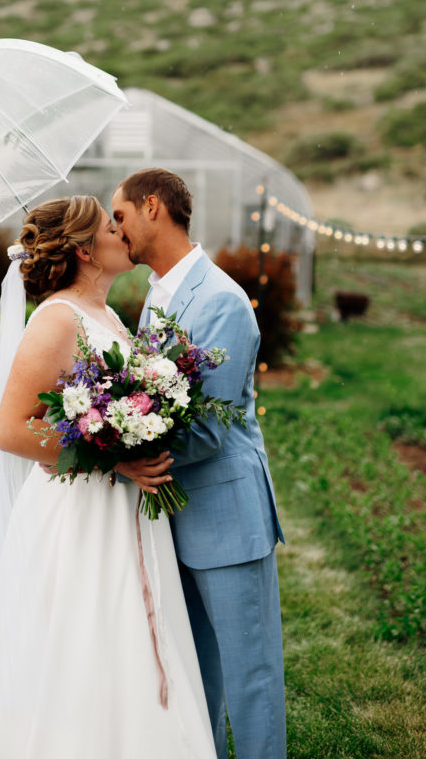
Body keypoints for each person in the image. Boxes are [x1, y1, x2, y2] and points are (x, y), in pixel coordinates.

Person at [0, 195, 216, 759]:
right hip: (77, 514)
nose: (122, 231)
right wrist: (115, 456)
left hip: (122, 511)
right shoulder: (56, 318)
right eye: (109, 226)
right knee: (82, 637)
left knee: (124, 637)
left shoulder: (109, 316)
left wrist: (145, 423)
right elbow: (12, 429)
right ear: (82, 250)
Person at [111, 169, 286, 759]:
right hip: (170, 520)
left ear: (152, 207)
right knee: (193, 680)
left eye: (120, 215)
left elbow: (209, 428)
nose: (116, 229)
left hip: (227, 518)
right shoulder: (155, 297)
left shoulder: (221, 300)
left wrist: (114, 451)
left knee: (250, 681)